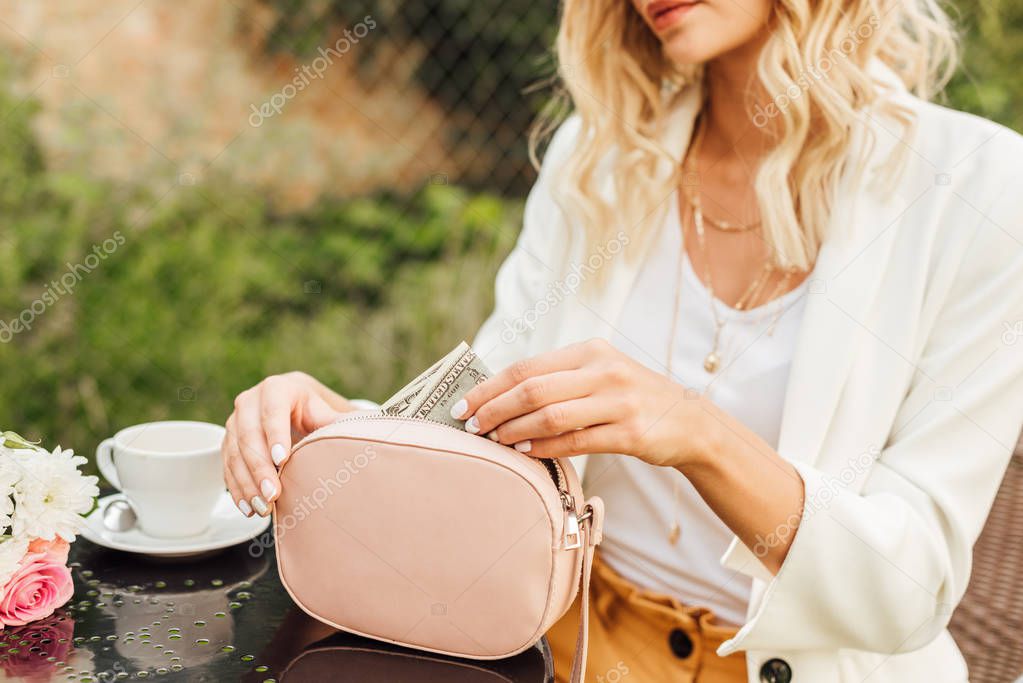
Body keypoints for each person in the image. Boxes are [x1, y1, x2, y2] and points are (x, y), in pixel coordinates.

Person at [221, 0, 1023, 680]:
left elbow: (907, 589)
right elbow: (493, 436)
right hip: (561, 650)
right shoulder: (596, 160)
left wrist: (698, 432)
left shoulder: (982, 189)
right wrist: (355, 432)